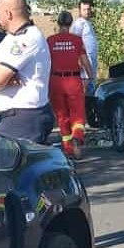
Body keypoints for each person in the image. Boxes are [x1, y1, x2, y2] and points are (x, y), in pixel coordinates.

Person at [0, 0, 53, 143]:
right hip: (15, 117)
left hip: (24, 118)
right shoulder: (11, 38)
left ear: (8, 14)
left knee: (4, 162)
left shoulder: (26, 39)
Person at [47, 12, 95, 159]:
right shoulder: (76, 40)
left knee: (62, 115)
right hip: (73, 80)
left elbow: (45, 62)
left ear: (58, 23)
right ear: (70, 23)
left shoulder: (50, 41)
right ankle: (77, 136)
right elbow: (84, 60)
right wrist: (90, 76)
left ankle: (68, 148)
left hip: (55, 81)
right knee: (78, 113)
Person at [69, 1, 99, 94]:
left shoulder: (87, 23)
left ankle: (89, 107)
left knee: (91, 84)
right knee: (85, 87)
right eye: (84, 9)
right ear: (80, 11)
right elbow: (74, 43)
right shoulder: (79, 23)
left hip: (91, 60)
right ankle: (85, 107)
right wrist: (78, 60)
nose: (87, 11)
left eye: (88, 9)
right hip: (85, 61)